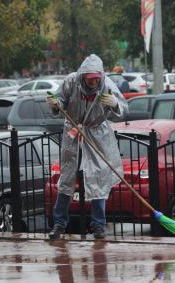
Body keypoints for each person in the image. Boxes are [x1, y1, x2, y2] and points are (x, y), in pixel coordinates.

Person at [46, 54, 128, 239]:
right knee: (66, 177)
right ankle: (59, 225)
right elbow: (58, 102)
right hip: (73, 131)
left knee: (98, 177)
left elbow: (123, 110)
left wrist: (115, 105)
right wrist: (56, 105)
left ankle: (98, 226)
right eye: (90, 78)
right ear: (83, 75)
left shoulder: (106, 85)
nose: (93, 81)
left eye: (96, 78)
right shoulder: (71, 82)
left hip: (97, 133)